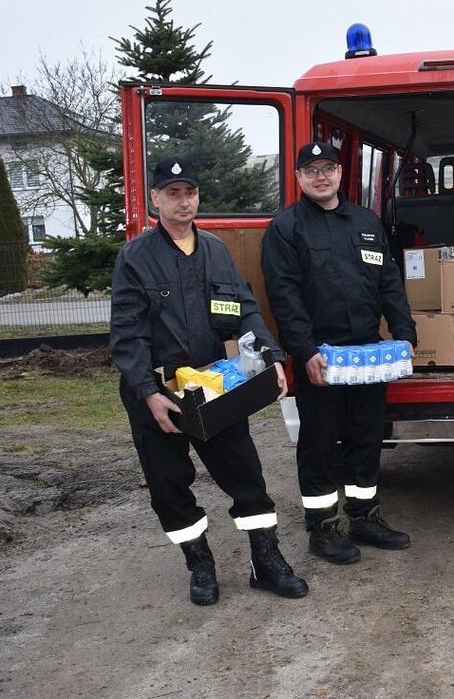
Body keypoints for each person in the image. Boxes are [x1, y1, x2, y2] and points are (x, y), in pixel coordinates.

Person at [110, 157, 308, 605]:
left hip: (214, 386)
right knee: (169, 483)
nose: (184, 201)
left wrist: (272, 357)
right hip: (158, 392)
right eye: (174, 193)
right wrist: (148, 395)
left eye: (190, 192)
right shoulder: (136, 257)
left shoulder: (216, 249)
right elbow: (128, 335)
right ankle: (199, 564)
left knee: (246, 476)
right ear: (156, 199)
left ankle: (266, 561)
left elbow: (246, 309)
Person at [261, 141, 417, 565]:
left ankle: (365, 517)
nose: (321, 176)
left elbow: (388, 281)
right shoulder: (286, 228)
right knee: (319, 443)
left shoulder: (365, 222)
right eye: (311, 170)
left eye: (327, 168)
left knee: (366, 438)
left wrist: (404, 332)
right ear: (298, 178)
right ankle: (323, 529)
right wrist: (305, 350)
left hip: (367, 356)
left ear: (339, 173)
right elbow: (284, 296)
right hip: (321, 359)